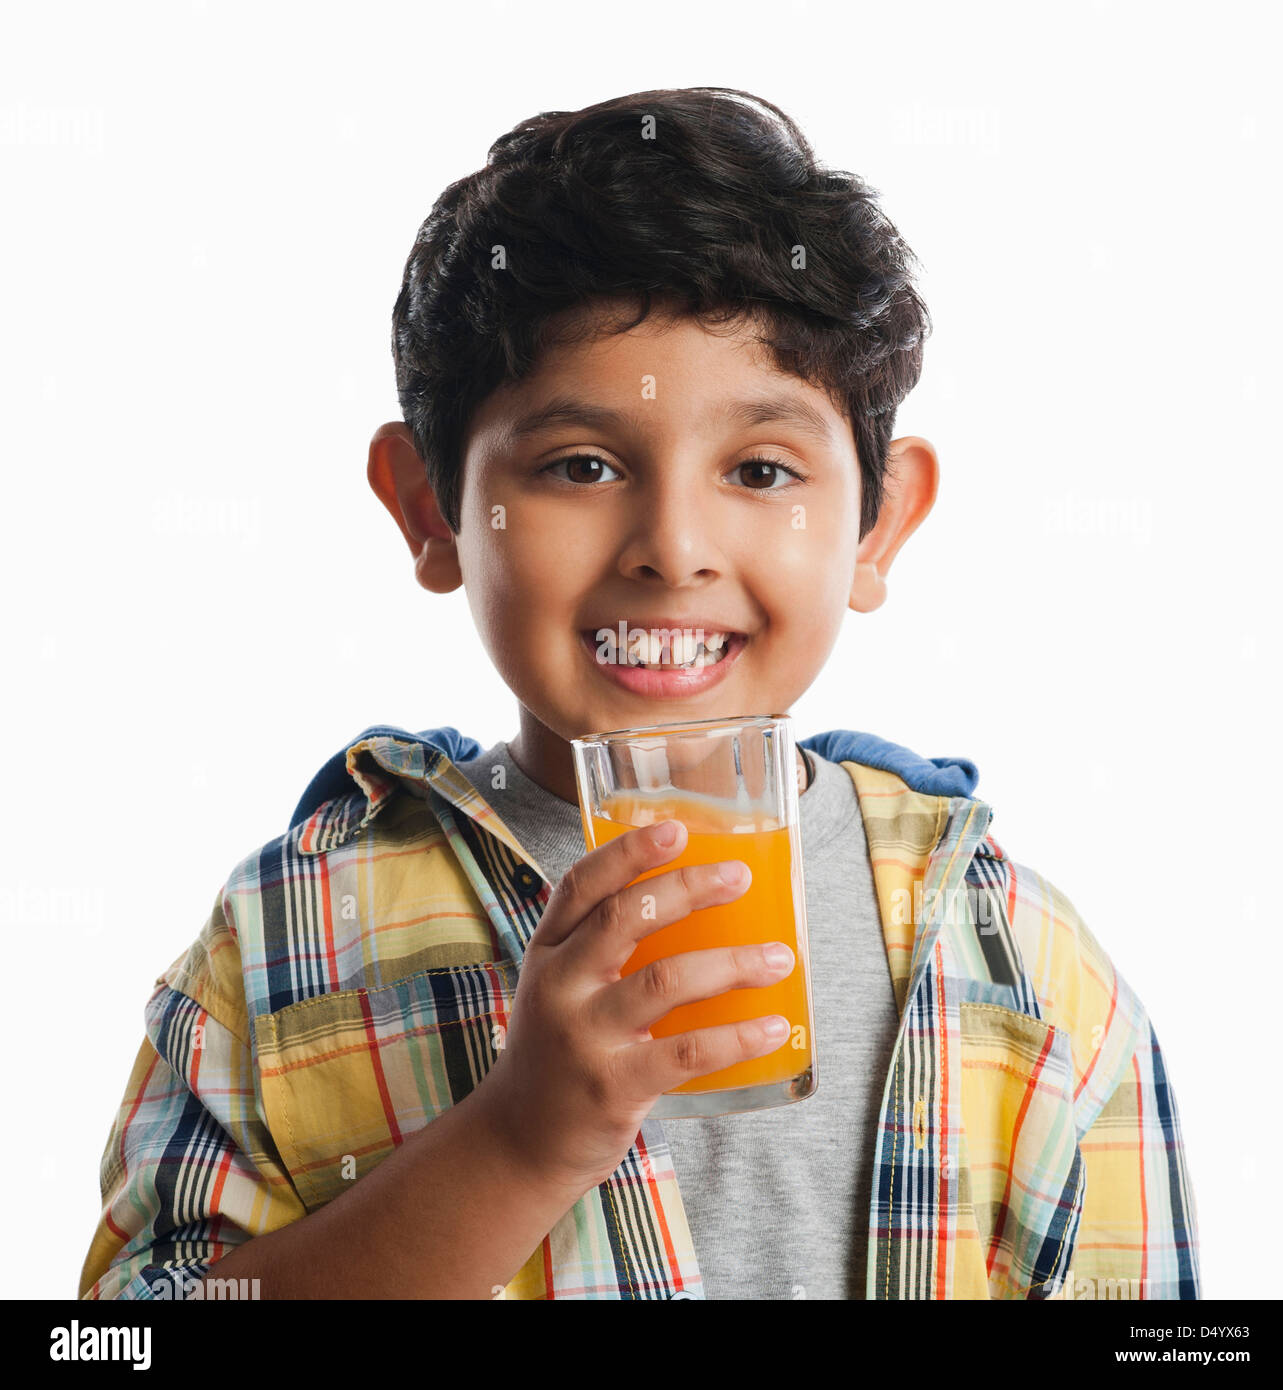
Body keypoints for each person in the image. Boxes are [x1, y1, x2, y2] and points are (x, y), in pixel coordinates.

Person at [79, 86, 1200, 1301]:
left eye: (760, 468)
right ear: (429, 507)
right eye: (580, 465)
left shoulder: (1024, 960)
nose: (673, 546)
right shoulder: (290, 938)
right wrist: (519, 1142)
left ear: (876, 524)